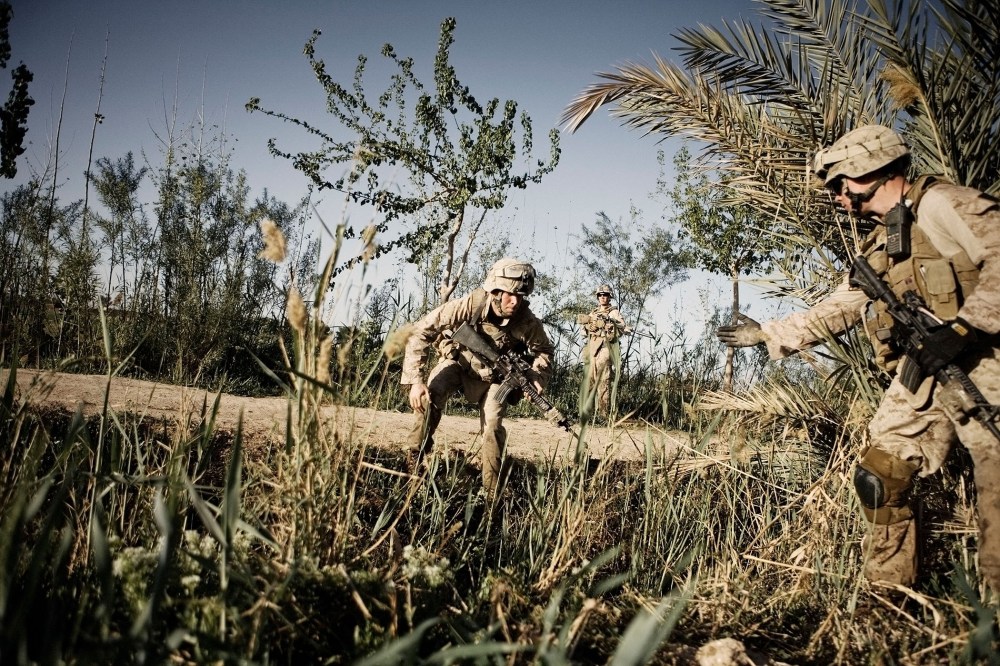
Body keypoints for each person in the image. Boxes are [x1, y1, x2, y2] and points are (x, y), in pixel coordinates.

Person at [716, 125, 1000, 593]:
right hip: (925, 370)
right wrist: (768, 332)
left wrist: (964, 328)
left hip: (984, 363)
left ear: (867, 171)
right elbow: (840, 307)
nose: (837, 196)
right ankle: (888, 593)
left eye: (839, 184)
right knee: (878, 477)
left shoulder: (942, 204)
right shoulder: (881, 245)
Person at [401, 257, 554, 498]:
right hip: (459, 363)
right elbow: (421, 331)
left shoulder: (527, 320)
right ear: (494, 290)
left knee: (493, 424)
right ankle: (413, 460)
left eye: (521, 296)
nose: (515, 301)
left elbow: (544, 351)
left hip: (494, 378)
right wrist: (416, 381)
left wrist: (537, 375)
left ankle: (492, 493)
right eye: (509, 294)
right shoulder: (471, 304)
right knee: (432, 393)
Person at [580, 284, 630, 414]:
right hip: (593, 347)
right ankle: (587, 412)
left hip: (606, 347)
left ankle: (603, 413)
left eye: (605, 295)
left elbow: (623, 328)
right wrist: (588, 327)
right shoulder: (593, 313)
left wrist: (610, 322)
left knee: (603, 379)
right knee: (589, 379)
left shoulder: (614, 312)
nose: (603, 297)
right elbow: (583, 332)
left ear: (609, 297)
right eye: (600, 295)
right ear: (597, 297)